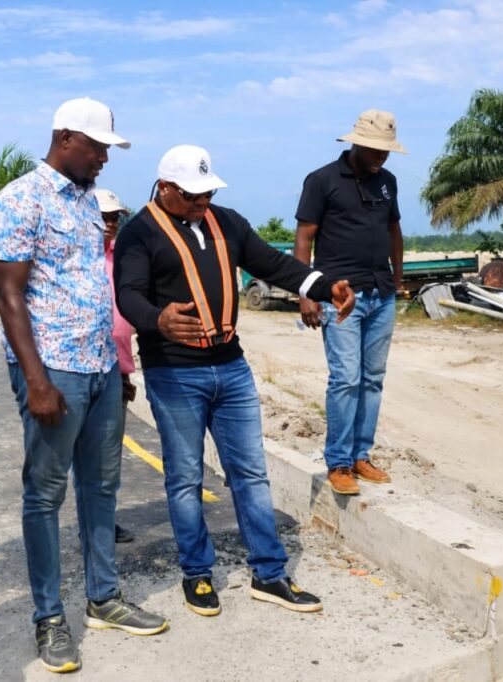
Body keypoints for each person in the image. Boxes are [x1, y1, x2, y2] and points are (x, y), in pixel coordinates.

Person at [114, 145, 355, 618]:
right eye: (192, 195)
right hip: (174, 372)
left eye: (208, 192)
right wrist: (157, 320)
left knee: (250, 473)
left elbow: (274, 264)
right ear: (166, 188)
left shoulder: (227, 222)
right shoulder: (139, 233)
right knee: (185, 477)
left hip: (231, 368)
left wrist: (325, 286)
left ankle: (269, 573)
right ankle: (197, 573)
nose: (202, 201)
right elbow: (128, 294)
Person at [0, 98, 168, 675]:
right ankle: (48, 617)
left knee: (102, 486)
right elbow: (9, 295)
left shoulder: (90, 201)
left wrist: (116, 366)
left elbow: (92, 284)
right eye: (98, 148)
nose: (104, 159)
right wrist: (36, 380)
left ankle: (104, 598)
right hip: (53, 370)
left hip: (100, 365)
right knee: (45, 495)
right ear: (66, 138)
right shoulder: (19, 200)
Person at [294, 109, 406, 496]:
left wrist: (397, 276)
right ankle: (339, 462)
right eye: (375, 150)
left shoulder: (387, 182)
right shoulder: (322, 180)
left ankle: (361, 455)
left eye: (386, 151)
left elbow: (394, 230)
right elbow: (304, 238)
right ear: (357, 143)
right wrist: (306, 292)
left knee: (372, 379)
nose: (382, 157)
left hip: (381, 293)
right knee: (346, 379)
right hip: (339, 297)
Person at [96, 188, 136, 544]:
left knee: (108, 456)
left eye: (114, 218)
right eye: (103, 217)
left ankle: (103, 521)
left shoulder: (122, 258)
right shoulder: (77, 259)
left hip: (116, 371)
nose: (110, 224)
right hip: (77, 369)